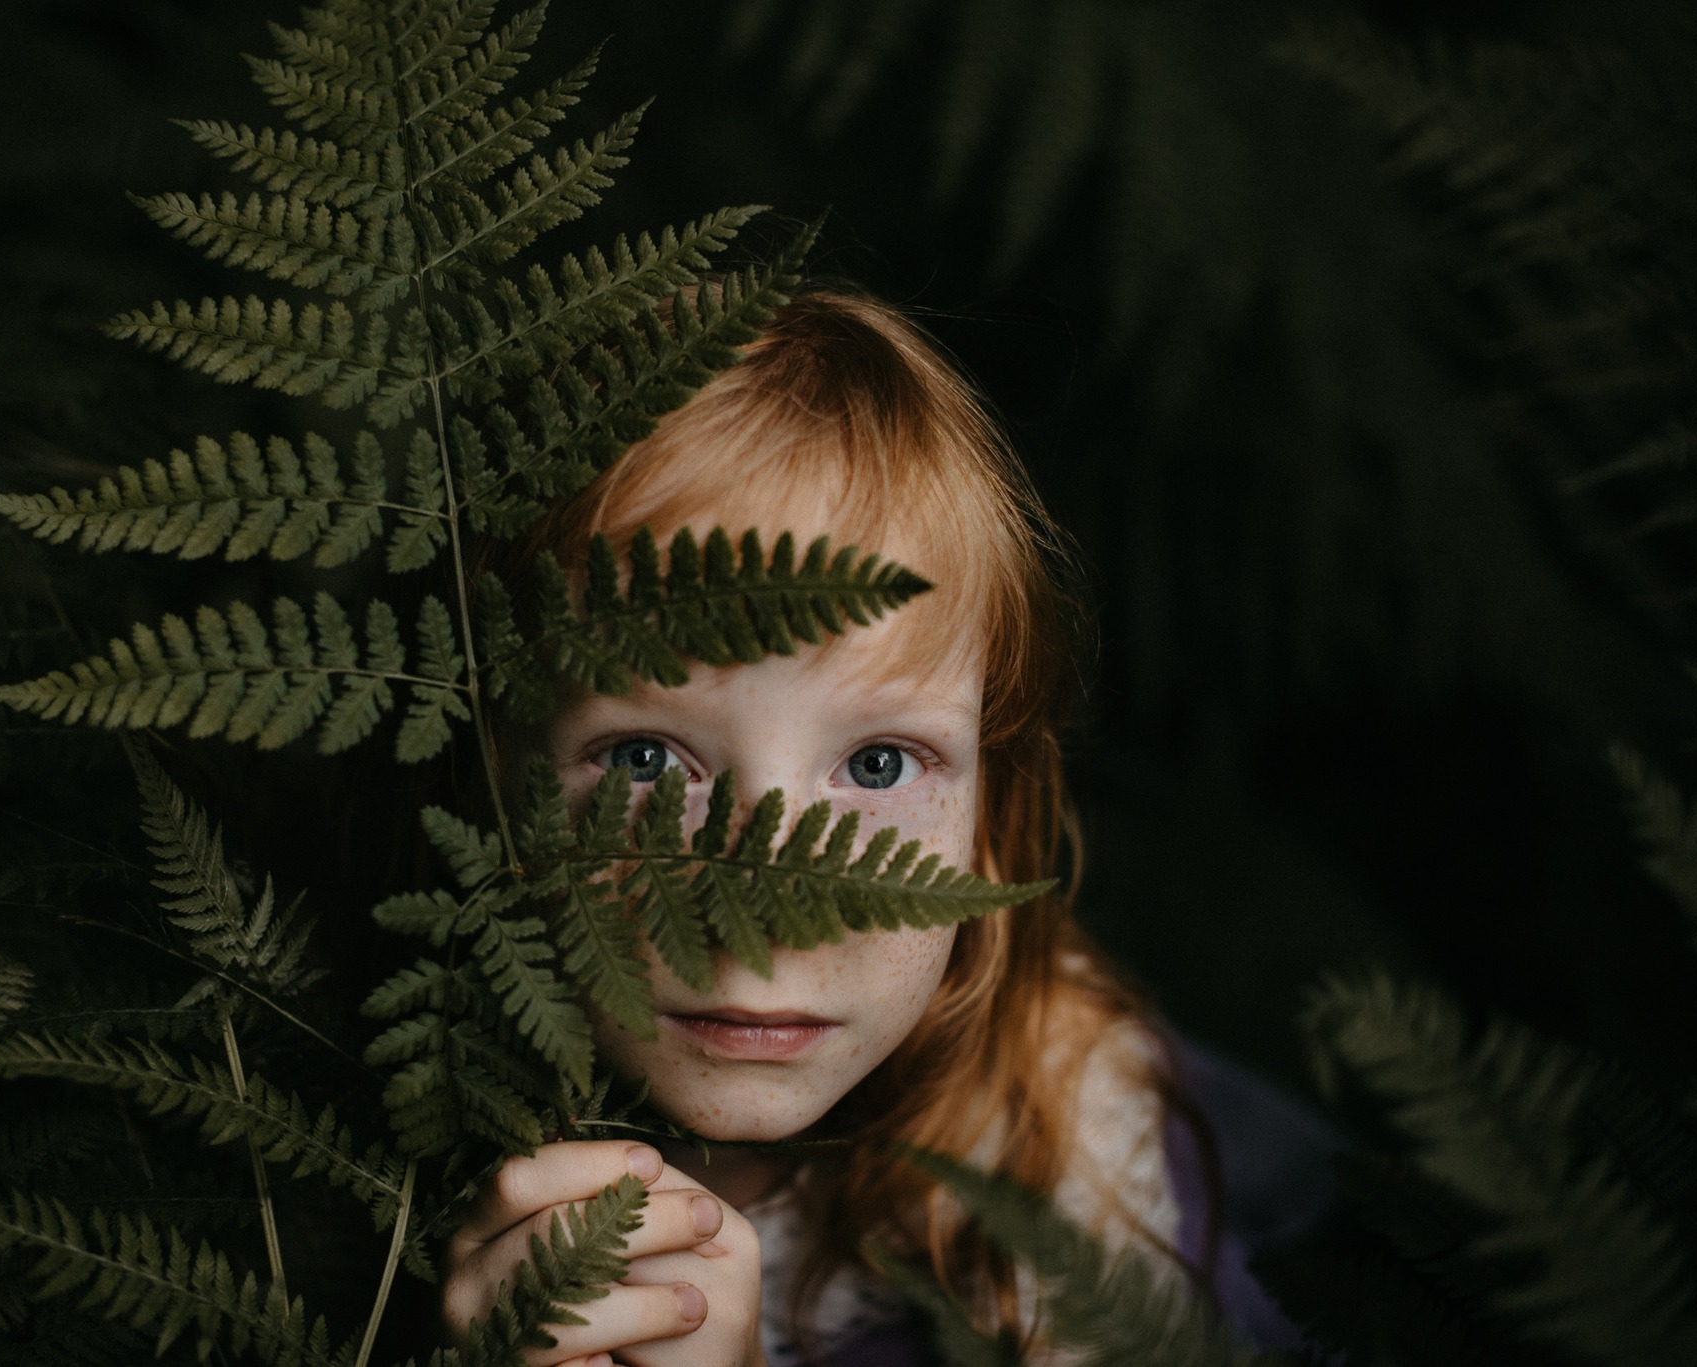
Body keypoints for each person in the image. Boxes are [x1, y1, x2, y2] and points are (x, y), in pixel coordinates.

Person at [442, 285, 1233, 1365]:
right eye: (642, 760)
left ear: (988, 823)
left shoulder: (1060, 1156)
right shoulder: (336, 1124)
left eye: (876, 763)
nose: (764, 916)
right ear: (489, 780)